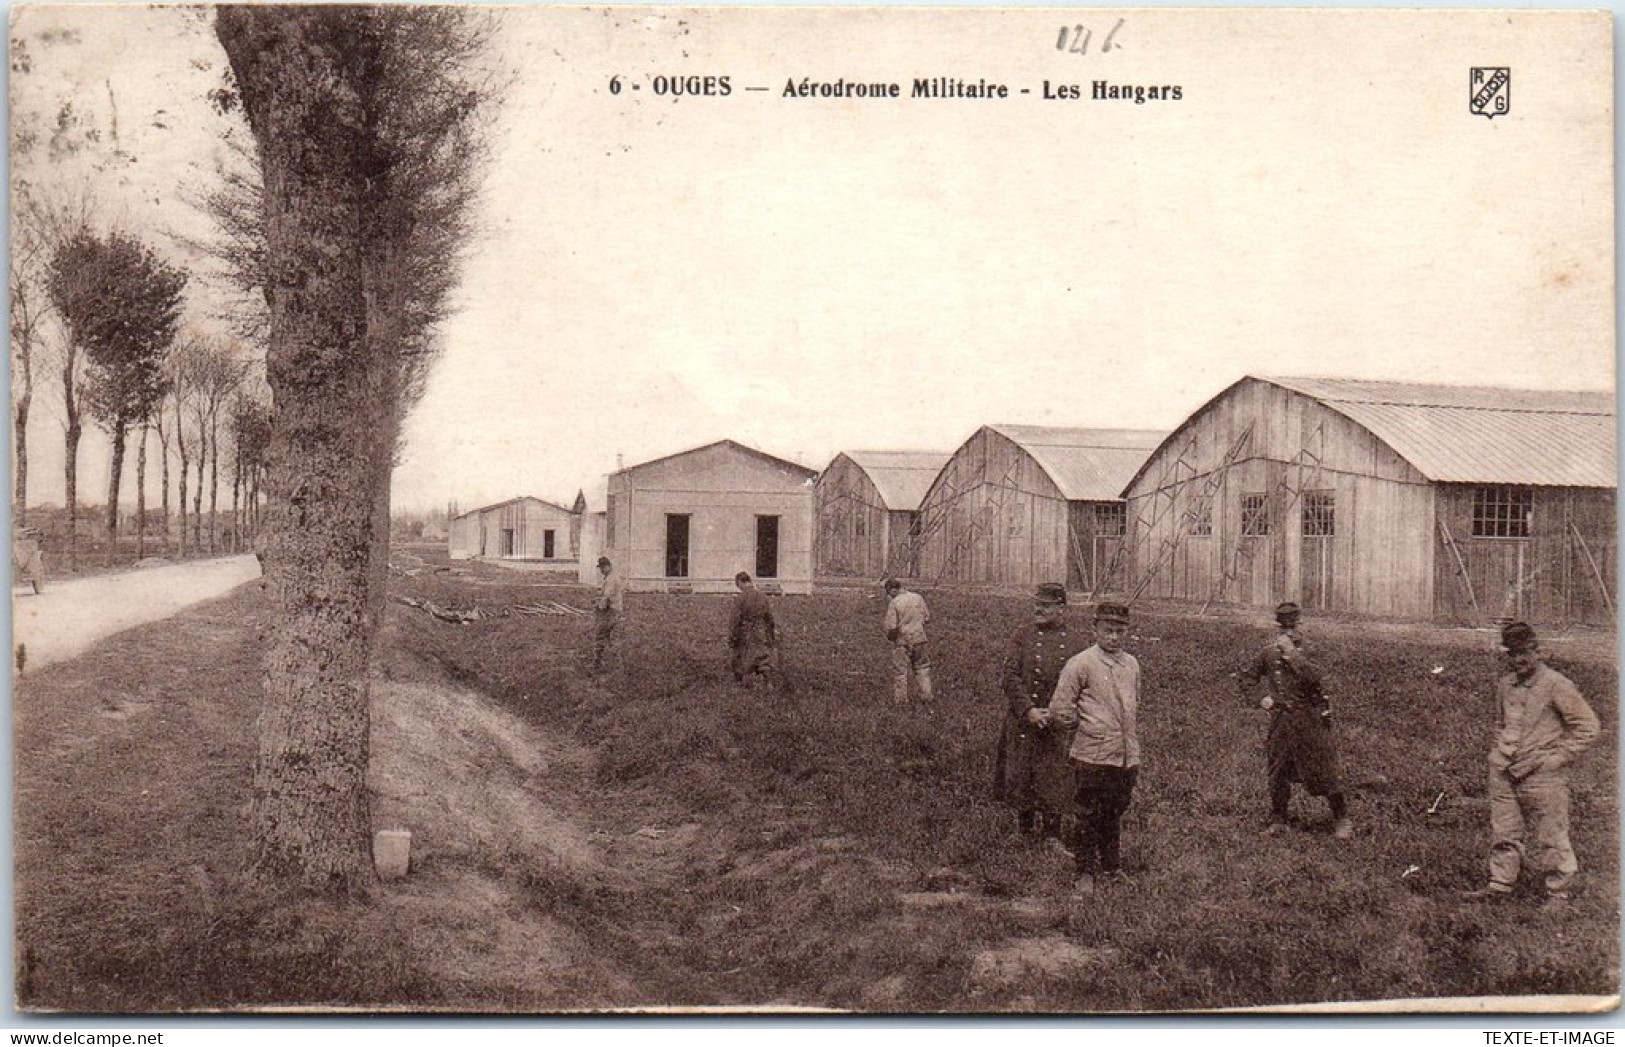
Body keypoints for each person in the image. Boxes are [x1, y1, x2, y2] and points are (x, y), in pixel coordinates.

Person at [1464, 621, 1600, 904]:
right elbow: (1501, 724)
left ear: (1538, 651)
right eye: (1512, 654)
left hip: (1542, 773)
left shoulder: (1557, 684)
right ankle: (1500, 884)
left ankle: (1559, 891)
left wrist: (1557, 757)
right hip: (1503, 769)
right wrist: (1499, 753)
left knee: (1550, 833)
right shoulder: (1505, 685)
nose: (1519, 660)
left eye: (1524, 652)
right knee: (1505, 830)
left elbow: (1588, 726)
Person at [1047, 601, 1140, 894]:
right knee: (1088, 813)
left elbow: (1134, 703)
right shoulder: (1081, 663)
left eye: (1119, 631)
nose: (1114, 637)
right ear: (1095, 630)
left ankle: (1111, 867)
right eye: (1108, 630)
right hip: (1091, 754)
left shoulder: (1131, 664)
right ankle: (1085, 871)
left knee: (1114, 811)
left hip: (1125, 754)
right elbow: (1060, 707)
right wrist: (1088, 727)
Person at [1239, 601, 1353, 839]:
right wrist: (1262, 699)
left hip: (1310, 719)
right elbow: (1247, 678)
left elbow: (1315, 678)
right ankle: (1279, 818)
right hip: (1281, 720)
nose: (1288, 631)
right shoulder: (1269, 653)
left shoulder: (1311, 650)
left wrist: (1291, 653)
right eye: (1284, 627)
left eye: (1293, 626)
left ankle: (1341, 818)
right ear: (1278, 627)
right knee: (1278, 771)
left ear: (1300, 625)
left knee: (1325, 770)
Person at [995, 582, 1088, 841]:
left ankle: (1052, 835)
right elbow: (1009, 676)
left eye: (1045, 606)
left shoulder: (1075, 643)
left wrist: (1064, 713)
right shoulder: (1022, 635)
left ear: (1061, 608)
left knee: (1055, 774)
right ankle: (1024, 830)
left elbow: (1083, 683)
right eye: (1037, 604)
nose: (1039, 609)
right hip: (1024, 719)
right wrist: (1028, 710)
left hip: (1056, 722)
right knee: (1022, 771)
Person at [883, 578, 933, 703]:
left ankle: (900, 700)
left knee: (900, 671)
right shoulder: (918, 597)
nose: (889, 595)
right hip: (920, 638)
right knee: (922, 668)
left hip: (903, 641)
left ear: (892, 590)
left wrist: (891, 637)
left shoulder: (895, 603)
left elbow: (891, 626)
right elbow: (927, 618)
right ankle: (926, 696)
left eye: (889, 592)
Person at [728, 571, 780, 690]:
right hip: (761, 630)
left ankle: (745, 684)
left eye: (738, 585)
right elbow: (770, 618)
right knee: (763, 656)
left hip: (746, 631)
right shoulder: (762, 597)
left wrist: (733, 635)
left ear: (740, 582)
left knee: (744, 656)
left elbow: (735, 620)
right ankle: (768, 683)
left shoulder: (740, 598)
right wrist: (770, 634)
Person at [591, 556, 625, 673]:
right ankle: (617, 666)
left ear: (608, 566)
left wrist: (598, 606)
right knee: (611, 638)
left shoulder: (611, 579)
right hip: (615, 611)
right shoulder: (611, 577)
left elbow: (606, 597)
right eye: (600, 568)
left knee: (600, 636)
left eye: (603, 567)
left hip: (610, 612)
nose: (601, 570)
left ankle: (597, 665)